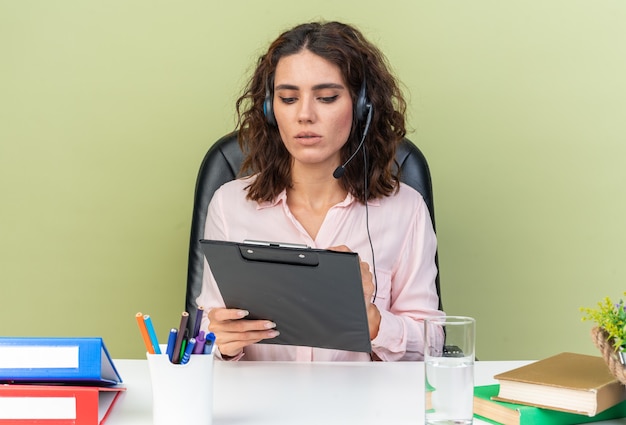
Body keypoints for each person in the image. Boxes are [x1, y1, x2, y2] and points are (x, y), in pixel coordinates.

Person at [196, 21, 444, 361]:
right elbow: (205, 336)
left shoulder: (406, 208)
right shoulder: (229, 204)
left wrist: (372, 320)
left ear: (361, 108)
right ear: (270, 110)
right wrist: (220, 343)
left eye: (326, 97)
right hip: (262, 410)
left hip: (362, 411)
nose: (304, 115)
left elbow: (432, 346)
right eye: (287, 98)